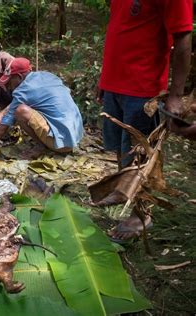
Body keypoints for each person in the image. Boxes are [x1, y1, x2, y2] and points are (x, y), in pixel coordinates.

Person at [97, 0, 193, 243]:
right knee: (120, 149)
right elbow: (119, 31)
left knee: (141, 154)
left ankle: (142, 215)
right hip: (114, 85)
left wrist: (176, 94)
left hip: (142, 88)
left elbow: (182, 39)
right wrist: (104, 80)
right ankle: (123, 190)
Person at [0, 58, 83, 155]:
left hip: (62, 146)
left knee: (20, 111)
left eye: (9, 81)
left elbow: (3, 127)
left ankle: (41, 146)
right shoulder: (48, 75)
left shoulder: (23, 91)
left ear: (19, 77)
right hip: (76, 135)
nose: (8, 86)